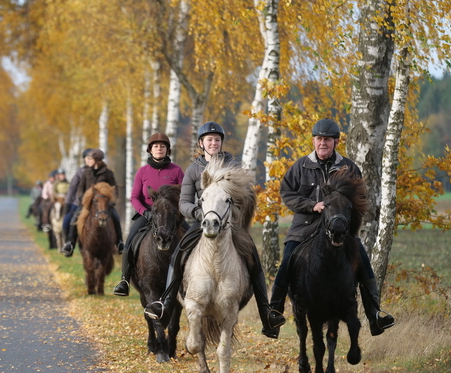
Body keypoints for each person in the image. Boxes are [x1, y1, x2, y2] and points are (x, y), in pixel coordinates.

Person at [143, 122, 286, 337]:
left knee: (253, 257)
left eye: (217, 139)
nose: (213, 143)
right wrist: (199, 213)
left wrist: (233, 213)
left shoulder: (234, 167)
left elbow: (248, 197)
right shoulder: (193, 169)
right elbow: (183, 203)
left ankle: (267, 314)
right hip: (200, 224)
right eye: (209, 140)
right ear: (201, 143)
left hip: (229, 225)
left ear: (221, 143)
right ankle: (165, 305)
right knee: (178, 254)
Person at [267, 118, 395, 337]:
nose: (322, 143)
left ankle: (375, 316)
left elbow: (360, 198)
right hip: (305, 228)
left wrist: (344, 216)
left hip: (339, 230)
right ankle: (273, 315)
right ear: (314, 141)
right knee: (287, 262)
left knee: (363, 263)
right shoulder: (300, 166)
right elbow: (287, 194)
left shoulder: (349, 167)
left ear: (336, 142)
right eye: (318, 139)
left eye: (327, 139)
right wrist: (311, 205)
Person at [113, 133, 185, 296]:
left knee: (191, 240)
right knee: (130, 242)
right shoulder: (142, 172)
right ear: (150, 150)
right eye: (156, 146)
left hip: (172, 217)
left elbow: (185, 194)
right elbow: (134, 197)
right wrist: (145, 212)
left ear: (168, 150)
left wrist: (178, 212)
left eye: (162, 146)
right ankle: (124, 280)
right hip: (148, 215)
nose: (159, 149)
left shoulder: (176, 170)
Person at [61, 149, 124, 256]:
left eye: (90, 159)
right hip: (87, 204)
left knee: (116, 218)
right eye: (88, 158)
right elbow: (80, 189)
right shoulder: (86, 172)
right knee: (74, 218)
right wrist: (83, 200)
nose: (87, 161)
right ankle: (70, 244)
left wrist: (111, 202)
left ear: (97, 160)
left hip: (104, 204)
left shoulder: (108, 173)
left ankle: (120, 243)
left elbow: (114, 189)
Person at [62, 148, 93, 239]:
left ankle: (119, 242)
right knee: (67, 221)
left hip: (96, 202)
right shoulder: (80, 171)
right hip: (79, 202)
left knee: (114, 218)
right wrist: (68, 203)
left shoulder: (100, 171)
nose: (89, 160)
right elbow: (72, 187)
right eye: (88, 158)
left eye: (92, 158)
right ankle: (68, 242)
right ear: (84, 159)